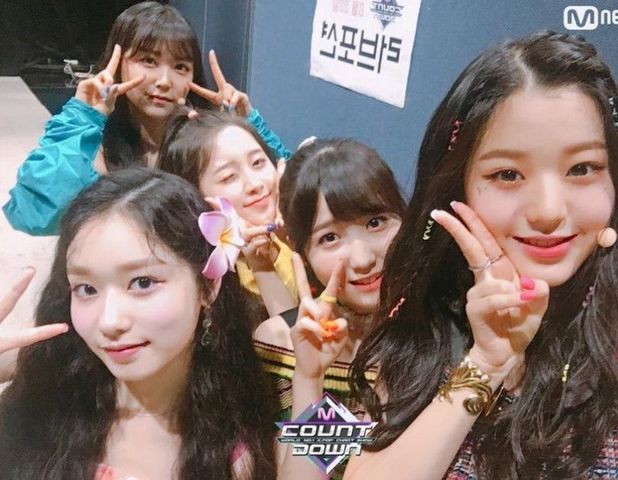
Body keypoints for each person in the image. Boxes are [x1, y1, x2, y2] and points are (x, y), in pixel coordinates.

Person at [346, 31, 618, 479]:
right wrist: (485, 363)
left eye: (582, 168)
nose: (547, 211)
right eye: (507, 174)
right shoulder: (422, 328)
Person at [0, 168, 277, 479]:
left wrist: (310, 378)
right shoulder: (36, 411)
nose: (109, 321)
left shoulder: (250, 424)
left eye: (143, 282)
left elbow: (314, 459)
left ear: (208, 287)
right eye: (86, 289)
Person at [3, 1, 289, 236]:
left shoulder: (204, 144)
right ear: (118, 63)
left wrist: (248, 126)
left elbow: (292, 191)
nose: (164, 81)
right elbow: (32, 213)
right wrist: (82, 116)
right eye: (148, 61)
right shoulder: (93, 148)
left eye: (180, 66)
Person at [253, 138, 406, 479]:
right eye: (330, 238)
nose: (362, 259)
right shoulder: (282, 344)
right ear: (301, 252)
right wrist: (309, 379)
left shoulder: (447, 327)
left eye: (376, 222)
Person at [158, 109, 296, 320]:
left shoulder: (300, 231)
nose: (255, 184)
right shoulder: (208, 282)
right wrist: (262, 267)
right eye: (229, 177)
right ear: (194, 195)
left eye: (258, 162)